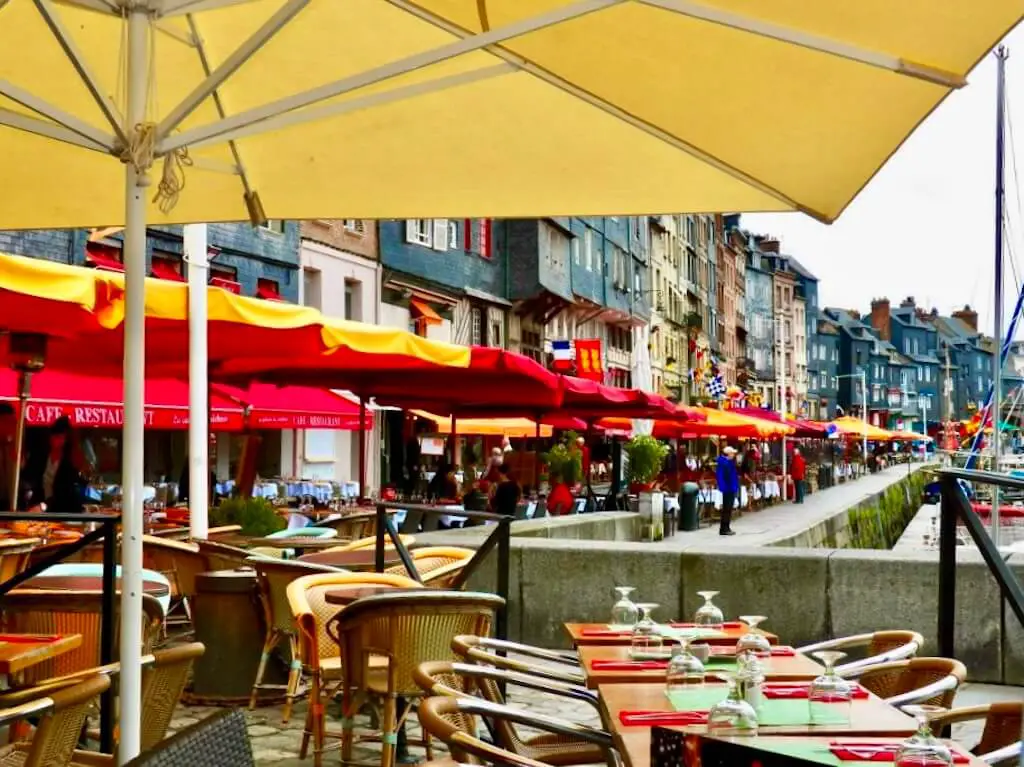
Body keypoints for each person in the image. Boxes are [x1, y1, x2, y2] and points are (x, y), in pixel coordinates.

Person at [25, 416, 84, 514]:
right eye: (56, 437)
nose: (59, 441)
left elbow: (65, 492)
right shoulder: (42, 456)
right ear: (50, 437)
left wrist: (44, 505)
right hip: (41, 509)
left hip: (64, 511)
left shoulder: (69, 462)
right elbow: (34, 481)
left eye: (62, 438)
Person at [716, 445, 739, 536]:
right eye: (732, 453)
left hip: (730, 487)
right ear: (729, 454)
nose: (733, 454)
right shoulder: (725, 463)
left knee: (728, 509)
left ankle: (726, 527)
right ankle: (724, 528)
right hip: (728, 488)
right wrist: (724, 487)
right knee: (727, 509)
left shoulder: (727, 462)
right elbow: (722, 477)